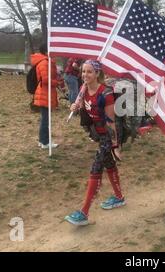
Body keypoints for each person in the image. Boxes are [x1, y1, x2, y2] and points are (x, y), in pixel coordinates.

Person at [64, 60, 125, 226]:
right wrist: (75, 107)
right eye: (83, 71)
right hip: (98, 134)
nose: (85, 75)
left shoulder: (106, 93)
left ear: (97, 74)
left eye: (89, 72)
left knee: (97, 166)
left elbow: (111, 122)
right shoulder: (84, 89)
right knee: (109, 164)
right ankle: (119, 198)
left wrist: (114, 146)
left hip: (108, 134)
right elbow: (84, 108)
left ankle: (84, 212)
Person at [31, 43, 59, 149]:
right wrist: (57, 82)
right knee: (46, 119)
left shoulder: (46, 62)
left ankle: (43, 140)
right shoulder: (44, 63)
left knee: (45, 118)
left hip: (46, 93)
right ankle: (45, 142)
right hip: (44, 93)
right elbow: (46, 79)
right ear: (47, 51)